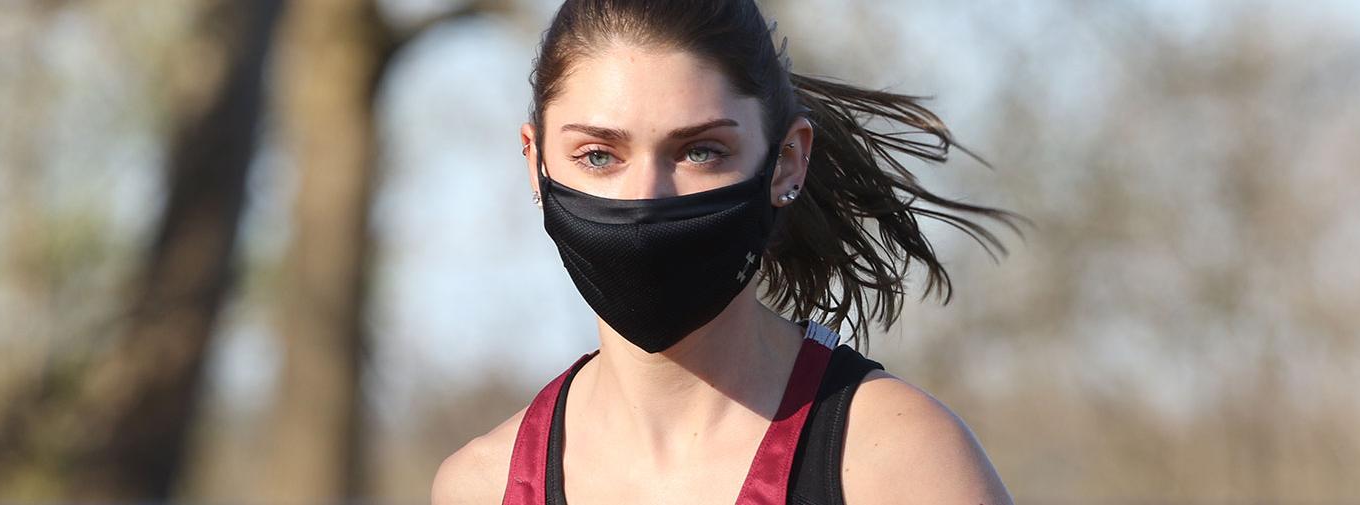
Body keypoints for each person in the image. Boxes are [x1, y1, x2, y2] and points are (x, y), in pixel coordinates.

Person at [434, 1, 1019, 503]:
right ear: (535, 162)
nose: (645, 201)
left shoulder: (894, 465)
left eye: (700, 152)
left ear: (786, 159)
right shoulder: (481, 487)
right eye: (598, 156)